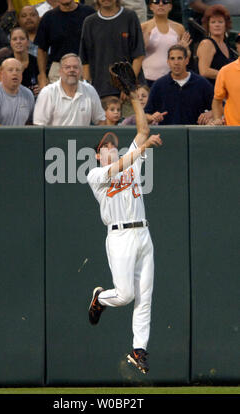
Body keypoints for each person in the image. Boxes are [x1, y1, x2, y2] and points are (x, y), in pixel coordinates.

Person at [87, 81, 163, 374]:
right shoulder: (95, 175)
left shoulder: (128, 163)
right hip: (119, 236)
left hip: (143, 232)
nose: (109, 148)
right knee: (125, 294)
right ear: (97, 155)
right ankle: (100, 298)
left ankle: (139, 351)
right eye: (104, 146)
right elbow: (130, 155)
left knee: (145, 297)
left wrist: (134, 99)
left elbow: (142, 130)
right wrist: (143, 147)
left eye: (111, 145)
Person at [79, 0, 145, 100]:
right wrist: (87, 88)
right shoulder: (89, 22)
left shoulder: (130, 17)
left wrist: (128, 85)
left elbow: (139, 55)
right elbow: (85, 60)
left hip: (131, 90)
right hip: (101, 89)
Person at [35, 0, 95, 88]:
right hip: (58, 69)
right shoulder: (48, 18)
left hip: (84, 66)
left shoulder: (89, 14)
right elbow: (41, 50)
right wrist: (42, 75)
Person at [145, 44, 214, 125]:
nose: (176, 62)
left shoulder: (201, 83)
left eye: (180, 58)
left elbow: (220, 107)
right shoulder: (159, 85)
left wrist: (210, 114)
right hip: (167, 135)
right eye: (172, 59)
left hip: (195, 134)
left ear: (187, 61)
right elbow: (145, 115)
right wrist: (152, 117)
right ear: (168, 62)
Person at [33, 53, 106, 126]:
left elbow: (101, 121)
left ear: (81, 71)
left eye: (75, 67)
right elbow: (38, 125)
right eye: (67, 67)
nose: (72, 70)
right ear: (60, 71)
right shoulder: (47, 92)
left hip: (83, 137)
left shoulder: (90, 90)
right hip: (55, 137)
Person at [141, 0, 191, 88]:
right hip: (147, 79)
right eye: (156, 1)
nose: (160, 4)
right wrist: (143, 46)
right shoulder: (143, 27)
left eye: (165, 1)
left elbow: (187, 54)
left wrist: (185, 50)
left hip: (171, 78)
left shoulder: (179, 28)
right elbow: (134, 55)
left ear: (170, 6)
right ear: (151, 6)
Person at [196, 4, 236, 85]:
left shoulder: (226, 45)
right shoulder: (207, 43)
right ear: (208, 26)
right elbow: (204, 71)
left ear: (226, 25)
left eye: (220, 22)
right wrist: (229, 75)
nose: (217, 25)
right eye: (213, 22)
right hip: (210, 92)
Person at [211, 33, 240, 126]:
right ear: (237, 46)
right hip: (233, 130)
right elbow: (217, 100)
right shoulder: (225, 71)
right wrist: (217, 119)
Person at [10, 26, 40, 98]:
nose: (18, 41)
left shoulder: (37, 61)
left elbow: (43, 82)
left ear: (28, 42)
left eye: (22, 39)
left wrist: (40, 88)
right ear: (10, 43)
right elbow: (4, 89)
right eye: (14, 39)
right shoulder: (5, 63)